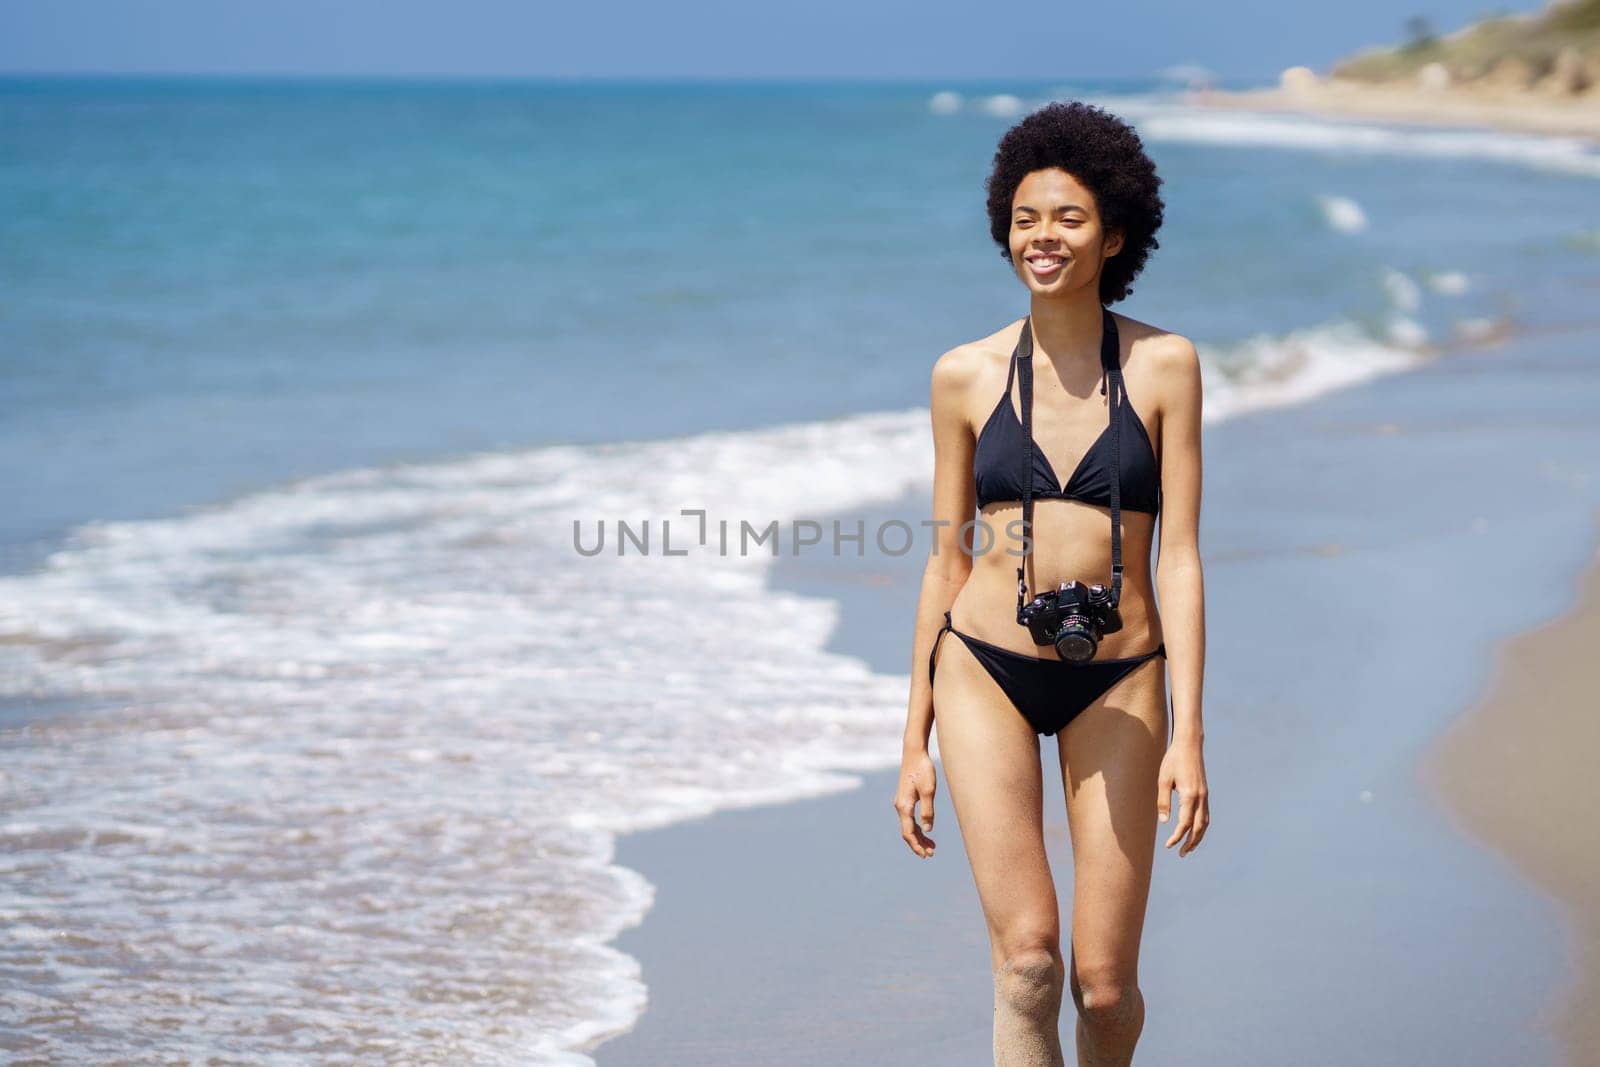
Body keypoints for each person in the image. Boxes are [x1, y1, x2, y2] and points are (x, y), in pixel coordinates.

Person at [895, 101, 1209, 1066]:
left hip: (1119, 677)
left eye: (1068, 218)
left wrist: (1189, 735)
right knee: (1028, 959)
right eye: (1027, 218)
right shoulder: (964, 374)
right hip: (983, 665)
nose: (1044, 236)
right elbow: (946, 556)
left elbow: (1182, 556)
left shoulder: (1165, 366)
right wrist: (913, 737)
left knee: (1104, 989)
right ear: (1005, 229)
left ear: (1114, 234)